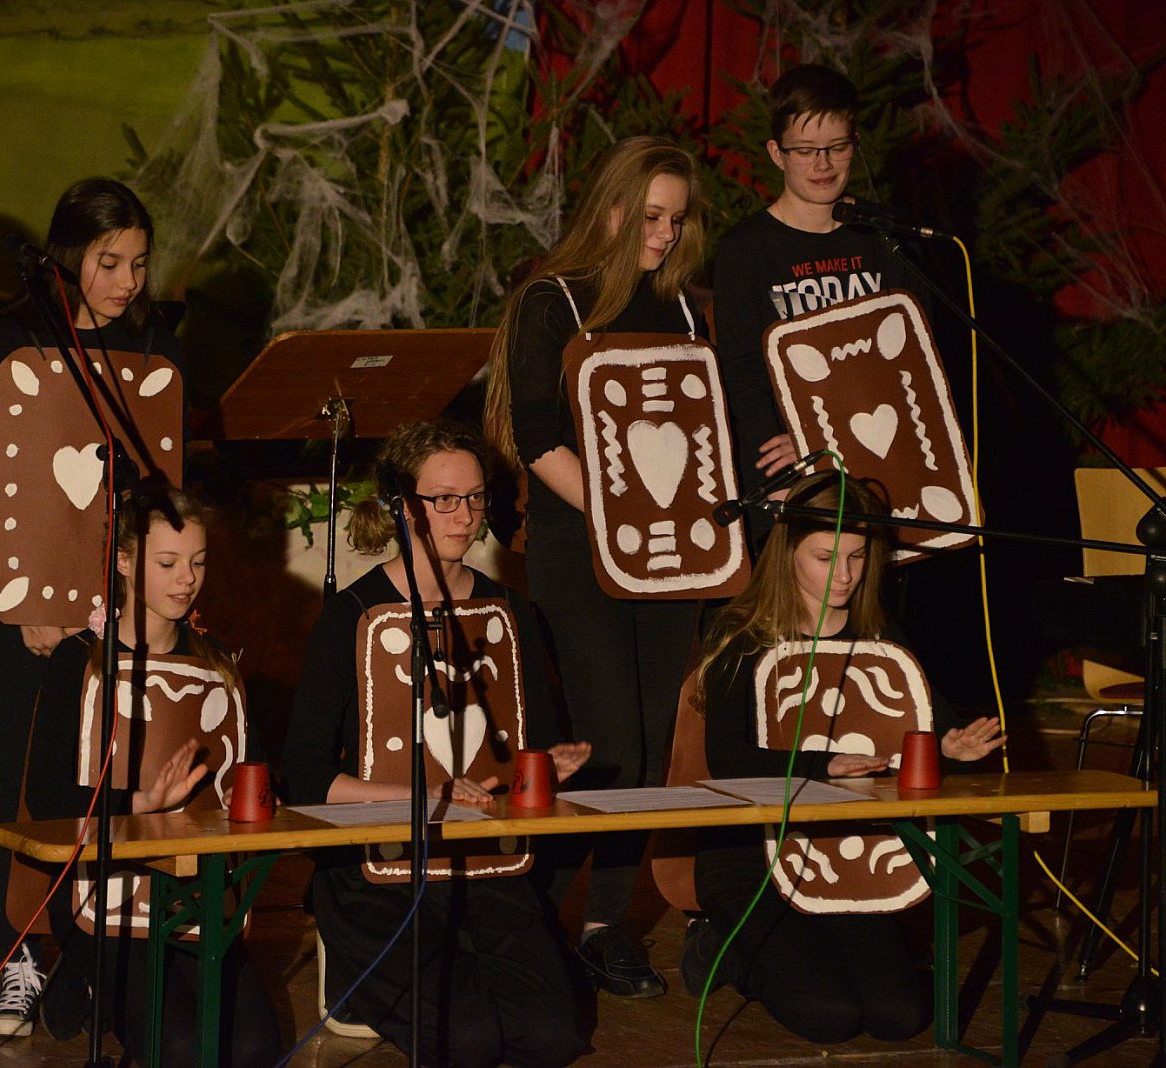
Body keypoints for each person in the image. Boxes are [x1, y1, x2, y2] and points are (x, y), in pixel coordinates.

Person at [283, 419, 590, 1067]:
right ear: (402, 506)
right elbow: (304, 775)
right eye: (444, 499)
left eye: (475, 497)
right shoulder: (353, 615)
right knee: (466, 1043)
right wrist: (420, 797)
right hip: (378, 871)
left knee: (553, 1036)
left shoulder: (511, 613)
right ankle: (359, 975)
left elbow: (534, 746)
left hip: (484, 865)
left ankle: (461, 974)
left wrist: (546, 767)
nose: (465, 515)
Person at [482, 135, 708, 998]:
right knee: (610, 743)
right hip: (581, 551)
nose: (663, 235)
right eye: (650, 216)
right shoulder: (552, 301)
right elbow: (537, 436)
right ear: (609, 210)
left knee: (650, 745)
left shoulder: (688, 311)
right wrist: (623, 518)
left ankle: (601, 927)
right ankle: (524, 910)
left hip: (672, 556)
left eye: (676, 220)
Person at [0, 177, 180, 1036]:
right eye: (108, 261)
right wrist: (23, 601)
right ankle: (17, 954)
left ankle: (98, 956)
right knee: (26, 777)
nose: (127, 281)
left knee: (117, 770)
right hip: (26, 605)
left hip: (119, 603)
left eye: (139, 263)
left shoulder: (150, 350)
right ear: (65, 257)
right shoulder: (7, 342)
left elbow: (161, 479)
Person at [686, 471, 1005, 1043]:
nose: (845, 574)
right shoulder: (744, 634)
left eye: (857, 556)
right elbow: (728, 760)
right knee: (828, 1014)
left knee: (897, 1016)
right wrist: (822, 765)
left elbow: (933, 728)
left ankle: (815, 948)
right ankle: (721, 946)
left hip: (844, 851)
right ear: (787, 552)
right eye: (825, 557)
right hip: (750, 854)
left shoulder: (879, 633)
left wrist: (951, 748)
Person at [21, 488, 281, 1067]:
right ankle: (84, 974)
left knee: (255, 1047)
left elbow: (252, 775)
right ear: (124, 561)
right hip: (106, 896)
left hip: (195, 894)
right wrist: (142, 800)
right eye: (167, 563)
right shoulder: (80, 660)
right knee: (179, 1047)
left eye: (198, 562)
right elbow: (46, 797)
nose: (187, 579)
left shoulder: (216, 663)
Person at [711, 64, 931, 513]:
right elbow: (741, 371)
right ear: (777, 153)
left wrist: (838, 432)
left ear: (855, 143)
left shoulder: (885, 233)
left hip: (885, 454)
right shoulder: (744, 249)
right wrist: (798, 455)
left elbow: (914, 356)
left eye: (837, 147)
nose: (823, 164)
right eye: (806, 150)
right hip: (794, 470)